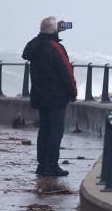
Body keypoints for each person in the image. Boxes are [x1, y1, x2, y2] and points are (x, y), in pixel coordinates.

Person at [22, 16, 77, 177]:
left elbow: (28, 49)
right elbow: (67, 72)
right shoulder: (55, 47)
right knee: (55, 132)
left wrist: (49, 32)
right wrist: (73, 92)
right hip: (56, 97)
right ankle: (51, 166)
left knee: (44, 130)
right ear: (53, 31)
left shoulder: (36, 45)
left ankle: (42, 166)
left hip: (40, 96)